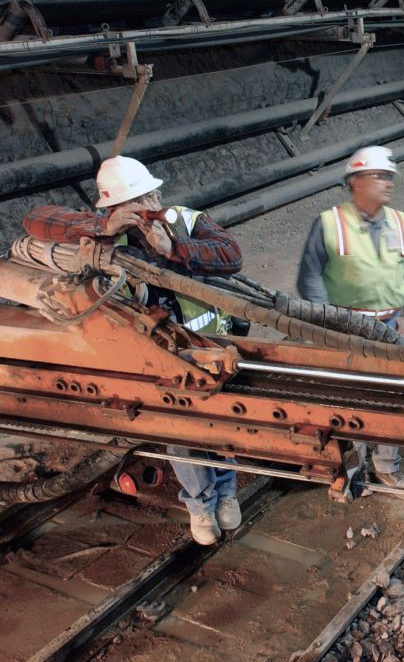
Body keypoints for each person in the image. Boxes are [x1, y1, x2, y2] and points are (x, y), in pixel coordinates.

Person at [23, 155, 245, 546]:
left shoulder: (184, 220)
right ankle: (200, 503)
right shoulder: (104, 237)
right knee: (178, 432)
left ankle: (227, 490)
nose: (146, 209)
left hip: (211, 344)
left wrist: (176, 249)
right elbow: (36, 220)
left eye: (149, 198)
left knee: (221, 425)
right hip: (156, 355)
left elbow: (231, 254)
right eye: (133, 204)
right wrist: (99, 227)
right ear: (111, 209)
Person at [296, 145, 404, 489]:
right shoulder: (330, 223)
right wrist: (330, 325)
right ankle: (350, 472)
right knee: (348, 399)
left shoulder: (402, 222)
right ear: (356, 180)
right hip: (347, 329)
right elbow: (310, 278)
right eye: (380, 176)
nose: (388, 183)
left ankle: (387, 467)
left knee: (391, 398)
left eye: (390, 176)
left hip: (390, 326)